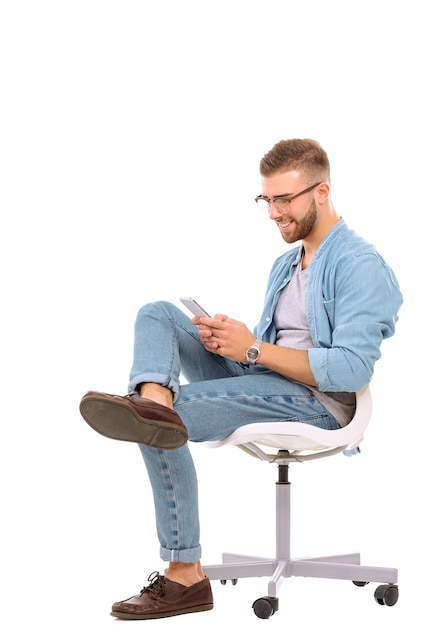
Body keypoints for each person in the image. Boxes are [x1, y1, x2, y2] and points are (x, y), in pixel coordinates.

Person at [79, 138, 403, 620]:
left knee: (159, 422)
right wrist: (235, 343)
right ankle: (153, 400)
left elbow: (353, 368)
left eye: (284, 199)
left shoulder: (359, 265)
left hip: (320, 402)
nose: (273, 212)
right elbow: (274, 351)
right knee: (160, 315)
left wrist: (253, 348)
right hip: (268, 380)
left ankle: (184, 573)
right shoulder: (286, 265)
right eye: (266, 200)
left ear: (321, 192)